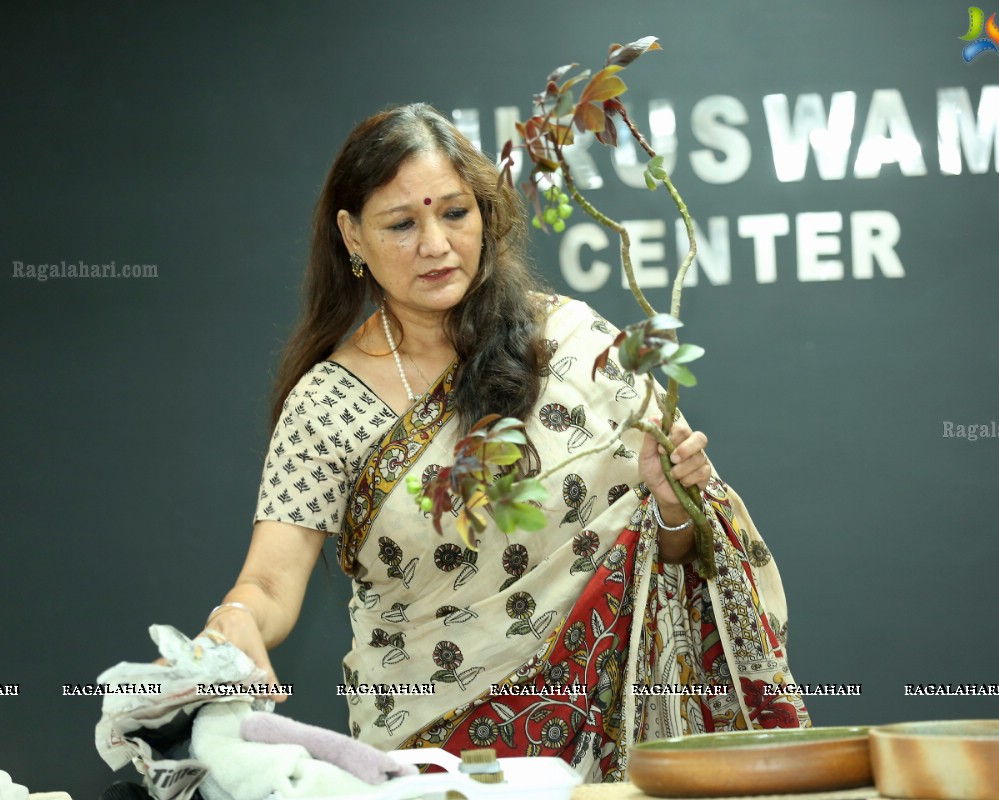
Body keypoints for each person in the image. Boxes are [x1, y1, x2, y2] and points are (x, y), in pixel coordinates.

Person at [199, 103, 809, 782]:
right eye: (402, 224)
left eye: (455, 214)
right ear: (352, 236)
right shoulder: (328, 405)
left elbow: (676, 555)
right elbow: (269, 581)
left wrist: (673, 507)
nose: (435, 244)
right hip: (439, 759)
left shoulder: (577, 345)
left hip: (619, 750)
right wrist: (236, 619)